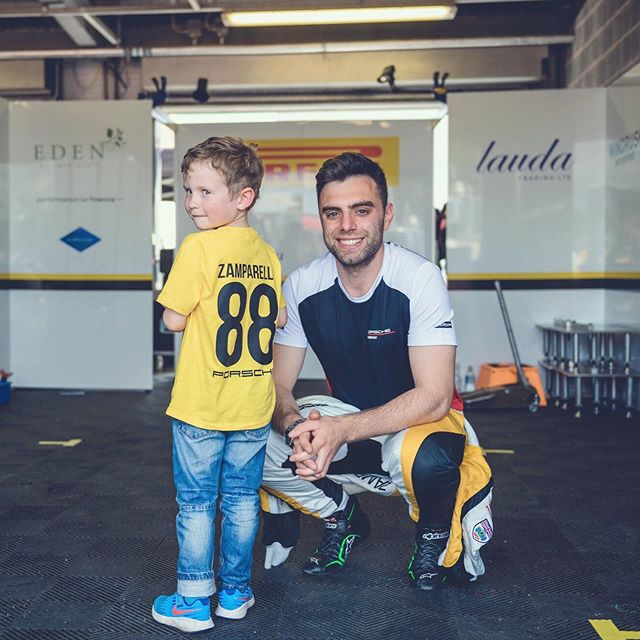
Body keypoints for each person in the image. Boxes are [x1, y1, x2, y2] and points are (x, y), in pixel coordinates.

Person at [260, 152, 493, 591]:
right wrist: (296, 427)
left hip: (424, 429)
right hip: (351, 423)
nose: (347, 225)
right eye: (334, 212)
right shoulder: (302, 285)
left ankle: (434, 536)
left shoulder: (420, 278)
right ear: (322, 219)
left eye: (361, 210)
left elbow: (435, 396)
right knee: (253, 438)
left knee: (419, 457)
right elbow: (278, 385)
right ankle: (342, 517)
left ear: (386, 214)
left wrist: (340, 430)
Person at [152, 136, 286, 633]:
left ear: (243, 197)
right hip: (252, 403)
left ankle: (191, 599)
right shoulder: (268, 255)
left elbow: (172, 319)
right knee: (241, 502)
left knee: (196, 503)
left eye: (205, 192)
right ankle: (235, 592)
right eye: (188, 191)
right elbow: (276, 318)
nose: (192, 203)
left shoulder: (199, 247)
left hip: (201, 405)